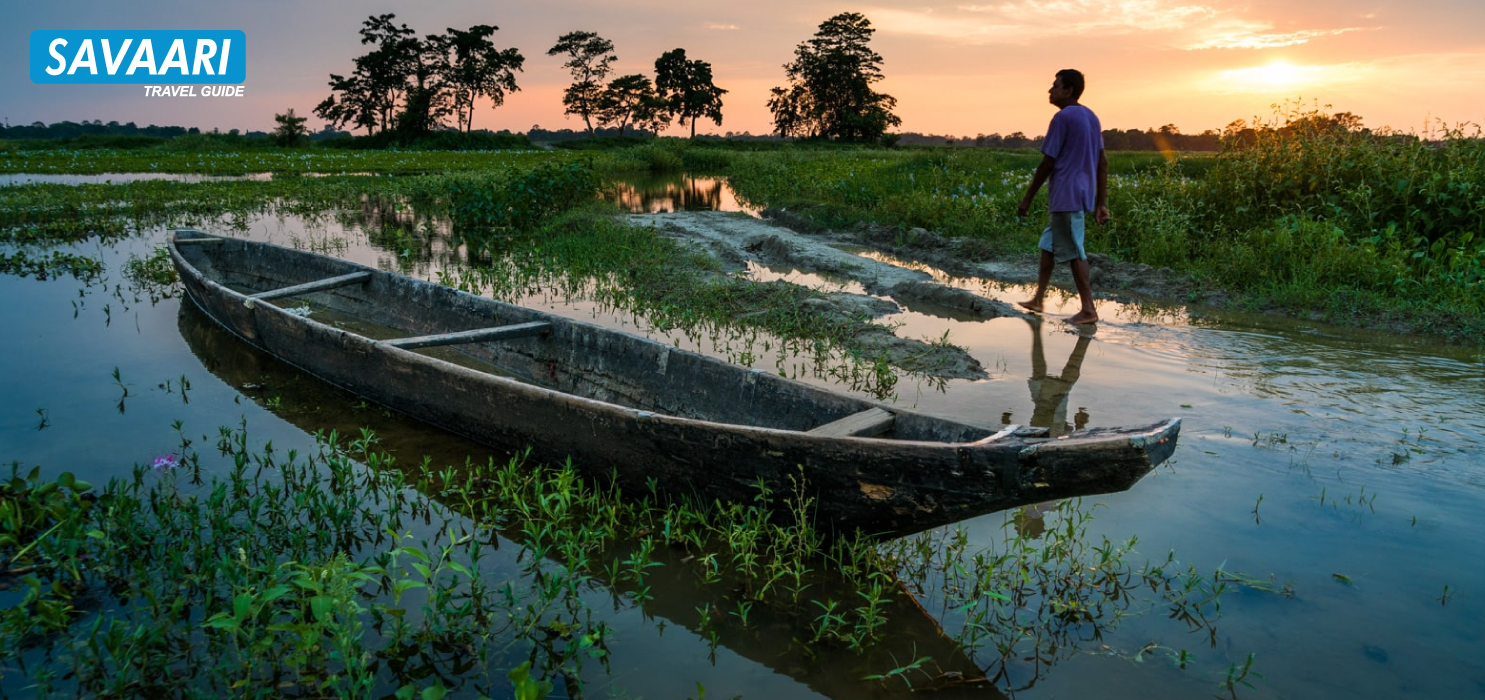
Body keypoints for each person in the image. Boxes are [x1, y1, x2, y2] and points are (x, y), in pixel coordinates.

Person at [1016, 68, 1109, 325]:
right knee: (1049, 246)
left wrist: (1027, 199)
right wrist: (1100, 202)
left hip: (1066, 196)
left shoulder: (1063, 118)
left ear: (1068, 91)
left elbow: (1047, 163)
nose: (1051, 90)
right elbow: (1103, 163)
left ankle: (1088, 309)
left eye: (1055, 85)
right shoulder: (1091, 117)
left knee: (1074, 251)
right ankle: (1038, 298)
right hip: (1077, 196)